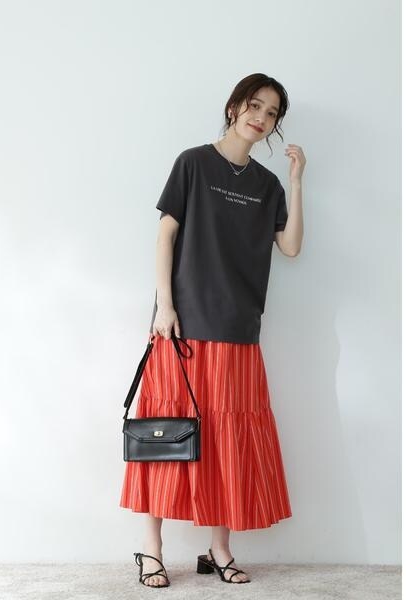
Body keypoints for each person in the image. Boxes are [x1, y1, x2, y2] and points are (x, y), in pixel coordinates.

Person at [119, 73, 306, 587]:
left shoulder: (267, 186)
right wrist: (164, 306)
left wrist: (296, 181)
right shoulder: (193, 163)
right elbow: (165, 235)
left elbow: (290, 247)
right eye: (254, 105)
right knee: (166, 432)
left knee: (228, 440)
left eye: (271, 113)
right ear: (233, 107)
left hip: (239, 329)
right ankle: (151, 549)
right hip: (182, 326)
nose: (261, 117)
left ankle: (218, 549)